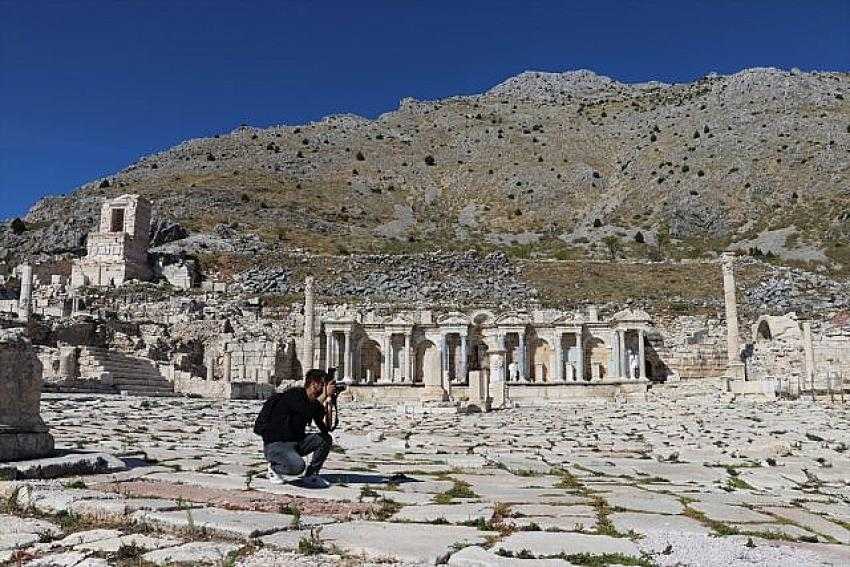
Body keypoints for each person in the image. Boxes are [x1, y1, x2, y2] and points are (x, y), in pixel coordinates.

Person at [253, 369, 336, 489]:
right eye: (323, 385)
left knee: (325, 439)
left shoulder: (313, 403)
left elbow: (324, 429)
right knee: (297, 467)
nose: (325, 388)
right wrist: (324, 395)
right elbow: (305, 410)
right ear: (314, 384)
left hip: (297, 442)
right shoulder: (294, 395)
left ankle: (311, 475)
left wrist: (329, 404)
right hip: (277, 443)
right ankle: (274, 468)